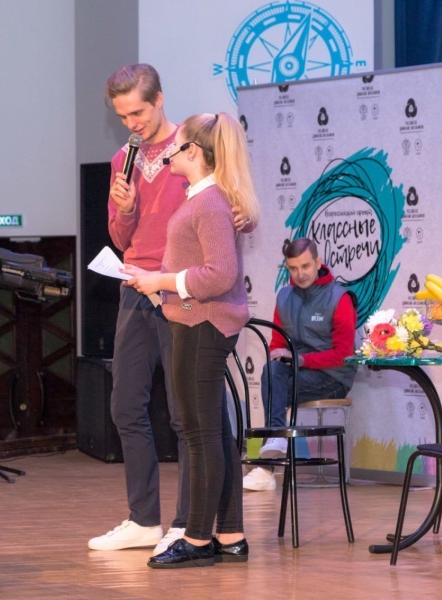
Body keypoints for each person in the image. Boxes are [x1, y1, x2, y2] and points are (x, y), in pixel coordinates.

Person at [87, 65, 249, 555]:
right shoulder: (123, 159)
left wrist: (244, 216)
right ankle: (143, 519)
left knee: (189, 415)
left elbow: (233, 211)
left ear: (159, 99)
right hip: (136, 286)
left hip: (183, 291)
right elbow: (120, 237)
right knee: (125, 404)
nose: (131, 123)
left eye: (137, 112)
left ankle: (188, 523)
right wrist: (125, 209)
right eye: (122, 117)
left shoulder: (193, 147)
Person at [123, 112, 259, 568]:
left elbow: (220, 275)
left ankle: (198, 539)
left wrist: (161, 280)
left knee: (201, 436)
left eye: (176, 146)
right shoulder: (206, 199)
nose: (169, 153)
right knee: (214, 433)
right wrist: (155, 280)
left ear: (194, 153)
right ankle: (231, 534)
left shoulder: (209, 203)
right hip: (197, 322)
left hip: (202, 324)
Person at [243, 238, 357, 492]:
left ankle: (267, 465)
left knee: (275, 387)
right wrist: (283, 358)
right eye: (293, 268)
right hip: (298, 371)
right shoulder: (284, 296)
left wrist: (300, 360)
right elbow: (277, 345)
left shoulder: (339, 298)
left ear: (318, 262)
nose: (300, 274)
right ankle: (275, 444)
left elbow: (343, 355)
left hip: (333, 376)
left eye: (305, 266)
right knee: (271, 371)